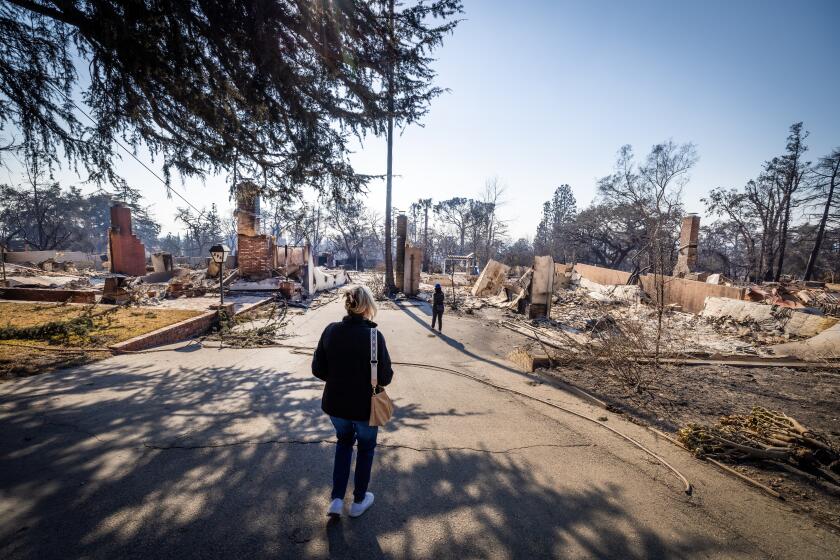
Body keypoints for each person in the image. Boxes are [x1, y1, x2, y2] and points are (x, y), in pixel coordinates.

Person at [312, 284, 393, 518]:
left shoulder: (330, 331)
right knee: (366, 450)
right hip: (366, 408)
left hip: (336, 406)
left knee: (343, 443)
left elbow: (318, 369)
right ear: (367, 306)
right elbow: (385, 378)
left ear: (347, 305)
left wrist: (338, 379)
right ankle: (358, 501)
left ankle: (336, 499)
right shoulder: (374, 336)